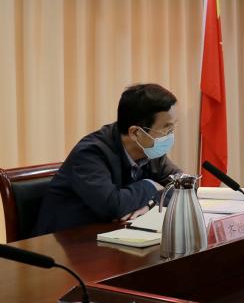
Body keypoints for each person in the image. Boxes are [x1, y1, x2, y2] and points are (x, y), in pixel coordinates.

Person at [35, 84, 182, 235]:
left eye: (173, 128)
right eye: (167, 129)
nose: (170, 135)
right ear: (136, 133)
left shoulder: (150, 149)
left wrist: (152, 202)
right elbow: (113, 206)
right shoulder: (90, 153)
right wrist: (150, 185)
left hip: (114, 235)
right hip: (68, 240)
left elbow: (185, 187)